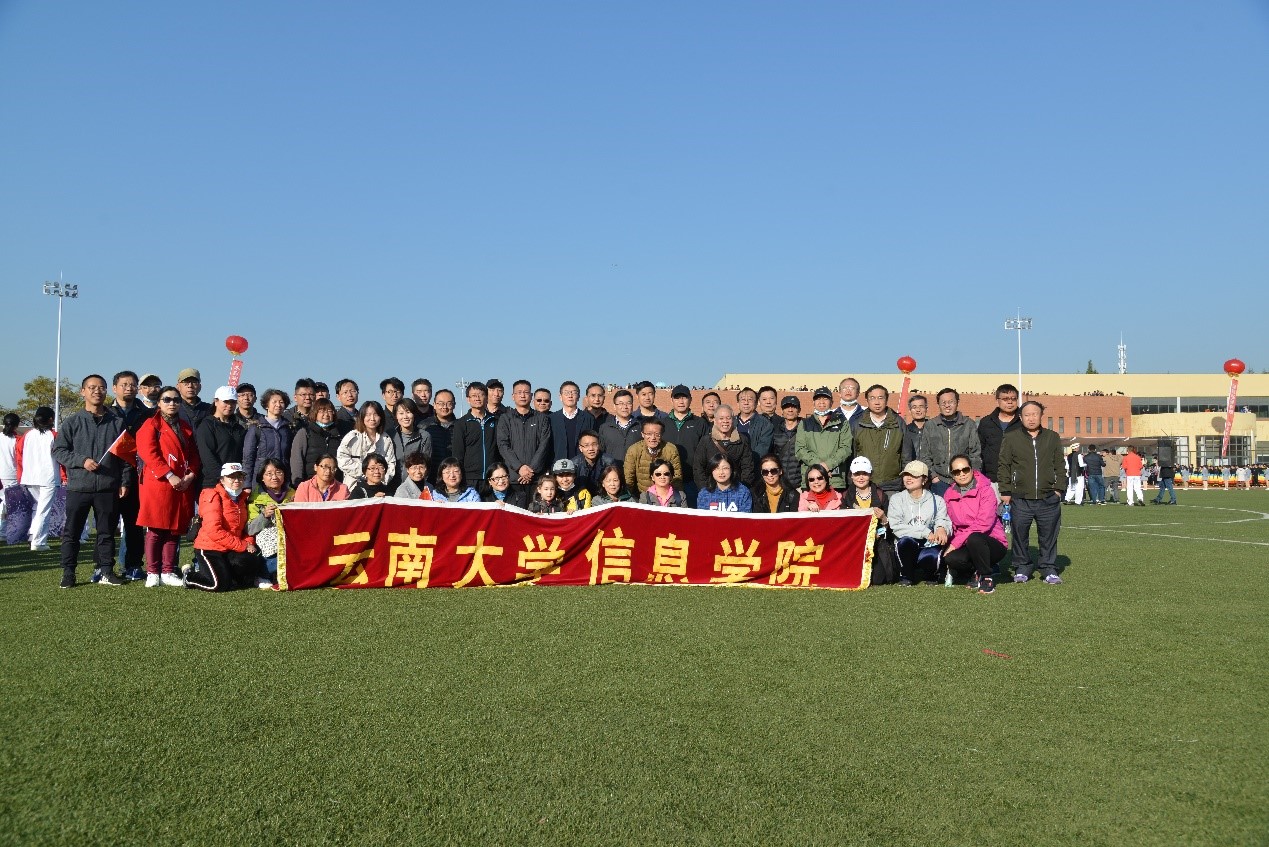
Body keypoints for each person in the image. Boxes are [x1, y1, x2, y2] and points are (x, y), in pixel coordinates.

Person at [52, 374, 134, 588]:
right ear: (83, 392)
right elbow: (59, 450)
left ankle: (106, 570)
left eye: (101, 388)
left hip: (107, 487)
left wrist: (124, 481)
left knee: (106, 533)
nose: (97, 391)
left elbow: (126, 456)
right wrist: (82, 461)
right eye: (92, 387)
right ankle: (68, 572)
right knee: (72, 533)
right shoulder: (72, 422)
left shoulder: (117, 422)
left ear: (107, 391)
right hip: (79, 487)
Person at [136, 388, 201, 586]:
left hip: (181, 484)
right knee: (156, 529)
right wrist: (169, 474)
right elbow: (149, 453)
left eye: (176, 400)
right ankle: (152, 572)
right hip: (159, 483)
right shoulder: (151, 424)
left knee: (174, 528)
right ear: (159, 403)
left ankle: (168, 570)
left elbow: (194, 455)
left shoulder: (184, 426)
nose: (172, 403)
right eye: (167, 399)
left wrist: (191, 475)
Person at [997, 400, 1067, 584]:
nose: (1031, 418)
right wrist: (1005, 490)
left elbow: (1060, 465)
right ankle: (1022, 567)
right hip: (1020, 498)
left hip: (1048, 497)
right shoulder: (1011, 437)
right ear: (1020, 417)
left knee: (1049, 535)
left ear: (1041, 415)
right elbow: (1004, 465)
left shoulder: (1052, 437)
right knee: (1020, 535)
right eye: (1027, 415)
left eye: (1034, 414)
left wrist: (1059, 489)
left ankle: (1048, 568)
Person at [187, 462, 272, 591]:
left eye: (240, 477)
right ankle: (189, 577)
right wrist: (243, 545)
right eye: (231, 477)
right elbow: (214, 530)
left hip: (231, 548)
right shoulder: (212, 495)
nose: (236, 480)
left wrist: (249, 542)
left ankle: (228, 576)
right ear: (222, 480)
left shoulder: (243, 498)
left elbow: (245, 528)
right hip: (210, 547)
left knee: (250, 560)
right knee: (217, 585)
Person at [942, 454, 1007, 594]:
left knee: (975, 538)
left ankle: (986, 577)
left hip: (991, 542)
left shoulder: (986, 490)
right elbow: (949, 522)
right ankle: (975, 571)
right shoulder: (948, 494)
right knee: (951, 558)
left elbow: (983, 523)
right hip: (966, 542)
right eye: (956, 471)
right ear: (952, 475)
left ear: (972, 469)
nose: (962, 474)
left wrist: (955, 544)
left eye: (965, 469)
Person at [887, 460, 951, 586]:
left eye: (914, 475)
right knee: (905, 542)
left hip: (929, 544)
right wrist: (924, 532)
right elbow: (896, 526)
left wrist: (941, 528)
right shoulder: (896, 499)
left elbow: (942, 519)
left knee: (932, 556)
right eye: (906, 474)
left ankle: (931, 575)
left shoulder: (937, 500)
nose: (908, 478)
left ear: (924, 480)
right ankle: (906, 576)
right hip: (908, 543)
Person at [841, 457, 899, 585]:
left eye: (865, 473)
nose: (861, 477)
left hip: (877, 542)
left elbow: (890, 527)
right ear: (851, 475)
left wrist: (883, 519)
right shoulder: (845, 496)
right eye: (857, 474)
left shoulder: (881, 495)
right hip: (855, 543)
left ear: (870, 475)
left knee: (878, 579)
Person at [918, 388, 982, 494]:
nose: (947, 405)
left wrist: (972, 477)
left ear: (957, 402)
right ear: (938, 404)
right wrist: (933, 476)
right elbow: (925, 455)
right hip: (939, 481)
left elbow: (975, 454)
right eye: (943, 402)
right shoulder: (930, 425)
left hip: (964, 480)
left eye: (951, 402)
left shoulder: (968, 425)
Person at [18, 406, 61, 552]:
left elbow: (19, 454)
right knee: (43, 510)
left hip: (29, 477)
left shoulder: (27, 434)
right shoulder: (53, 435)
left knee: (38, 508)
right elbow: (61, 456)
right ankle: (39, 542)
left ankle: (33, 535)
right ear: (51, 419)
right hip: (47, 478)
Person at [795, 388, 852, 489]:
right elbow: (800, 450)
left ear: (831, 402)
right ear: (813, 402)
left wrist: (828, 465)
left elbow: (845, 448)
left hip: (835, 480)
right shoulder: (804, 423)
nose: (821, 402)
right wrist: (819, 467)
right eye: (818, 399)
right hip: (812, 480)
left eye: (825, 399)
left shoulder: (842, 422)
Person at [497, 380, 551, 486]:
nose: (522, 395)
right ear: (513, 396)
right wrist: (519, 467)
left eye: (526, 392)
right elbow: (503, 445)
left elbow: (544, 445)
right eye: (519, 392)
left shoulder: (542, 418)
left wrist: (531, 469)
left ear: (531, 396)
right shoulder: (505, 419)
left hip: (536, 478)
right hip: (514, 478)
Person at [245, 458, 293, 578]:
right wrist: (264, 516)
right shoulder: (255, 498)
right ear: (262, 477)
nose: (274, 477)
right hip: (267, 542)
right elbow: (250, 529)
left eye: (278, 472)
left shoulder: (294, 494)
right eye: (269, 474)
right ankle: (264, 574)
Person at [852, 384, 905, 492]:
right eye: (872, 398)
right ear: (867, 400)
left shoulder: (898, 422)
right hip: (865, 485)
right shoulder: (858, 423)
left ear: (886, 399)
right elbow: (852, 454)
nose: (877, 402)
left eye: (881, 398)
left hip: (892, 484)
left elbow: (906, 454)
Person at [196, 386, 247, 492]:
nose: (229, 406)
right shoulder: (207, 425)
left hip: (236, 483)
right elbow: (207, 456)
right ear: (216, 401)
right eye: (226, 402)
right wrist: (222, 478)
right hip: (214, 484)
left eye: (233, 402)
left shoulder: (239, 428)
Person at [692, 405, 755, 490]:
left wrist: (741, 489)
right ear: (715, 420)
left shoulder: (742, 440)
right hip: (711, 489)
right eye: (721, 418)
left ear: (733, 420)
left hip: (736, 489)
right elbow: (698, 468)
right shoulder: (706, 441)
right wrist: (706, 489)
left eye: (728, 418)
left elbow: (748, 467)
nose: (725, 421)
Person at [337, 401, 396, 488]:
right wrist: (366, 474)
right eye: (368, 415)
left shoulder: (386, 439)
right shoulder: (353, 437)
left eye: (375, 415)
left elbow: (390, 464)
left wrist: (381, 480)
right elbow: (342, 460)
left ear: (381, 417)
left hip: (379, 486)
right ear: (362, 417)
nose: (372, 418)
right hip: (354, 486)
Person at [451, 382, 500, 487]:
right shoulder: (461, 423)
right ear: (468, 399)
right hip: (470, 479)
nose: (477, 398)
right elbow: (457, 454)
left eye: (481, 395)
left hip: (493, 477)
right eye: (473, 395)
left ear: (486, 397)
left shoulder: (496, 421)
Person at [242, 388, 292, 486]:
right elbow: (248, 458)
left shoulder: (288, 428)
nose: (278, 405)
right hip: (260, 479)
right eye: (274, 402)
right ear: (266, 405)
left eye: (281, 402)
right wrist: (246, 484)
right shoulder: (256, 427)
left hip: (282, 480)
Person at [977, 384, 1022, 495]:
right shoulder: (986, 422)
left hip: (1019, 480)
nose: (1010, 402)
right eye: (1005, 399)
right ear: (997, 400)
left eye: (1013, 399)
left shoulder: (1024, 422)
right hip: (992, 480)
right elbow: (979, 450)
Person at [290, 399, 344, 483]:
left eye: (329, 411)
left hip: (335, 482)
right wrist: (297, 480)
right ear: (315, 413)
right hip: (310, 482)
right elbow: (297, 458)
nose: (326, 414)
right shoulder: (305, 432)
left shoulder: (339, 434)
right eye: (321, 411)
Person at [625, 418, 683, 495]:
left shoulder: (671, 450)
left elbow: (677, 477)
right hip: (643, 495)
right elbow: (629, 478)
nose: (653, 438)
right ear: (642, 434)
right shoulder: (634, 450)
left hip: (665, 495)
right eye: (649, 434)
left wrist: (675, 496)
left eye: (657, 434)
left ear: (662, 434)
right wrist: (630, 496)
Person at [389, 398, 433, 486]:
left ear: (414, 414)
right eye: (401, 413)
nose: (405, 416)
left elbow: (426, 465)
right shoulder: (390, 435)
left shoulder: (424, 436)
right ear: (396, 416)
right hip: (391, 485)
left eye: (408, 412)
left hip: (415, 486)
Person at [549, 381, 596, 463]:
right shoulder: (551, 419)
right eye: (566, 393)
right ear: (560, 397)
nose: (570, 396)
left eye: (574, 393)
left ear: (578, 396)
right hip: (558, 465)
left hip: (582, 465)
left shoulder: (588, 418)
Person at [598, 389, 642, 462]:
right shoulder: (605, 428)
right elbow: (600, 453)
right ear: (614, 406)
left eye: (628, 403)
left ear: (632, 405)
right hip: (612, 468)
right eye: (621, 403)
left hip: (634, 468)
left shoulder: (640, 426)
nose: (625, 407)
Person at [734, 387, 773, 467]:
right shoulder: (730, 422)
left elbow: (763, 448)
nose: (746, 403)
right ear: (738, 404)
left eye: (750, 399)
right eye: (743, 400)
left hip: (753, 467)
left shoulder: (765, 424)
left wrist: (746, 463)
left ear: (756, 403)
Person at [770, 396, 803, 488]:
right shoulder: (775, 430)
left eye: (794, 407)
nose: (790, 410)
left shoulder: (806, 430)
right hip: (779, 482)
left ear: (799, 410)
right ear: (782, 410)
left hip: (800, 483)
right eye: (787, 407)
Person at [0, 412, 19, 542]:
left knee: (4, 503)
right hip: (12, 475)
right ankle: (3, 531)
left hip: (3, 475)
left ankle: (3, 531)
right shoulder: (16, 440)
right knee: (8, 505)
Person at [901, 394, 929, 464]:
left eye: (921, 406)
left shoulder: (934, 430)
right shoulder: (905, 431)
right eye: (914, 407)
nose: (918, 410)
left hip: (930, 470)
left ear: (926, 409)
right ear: (910, 411)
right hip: (910, 469)